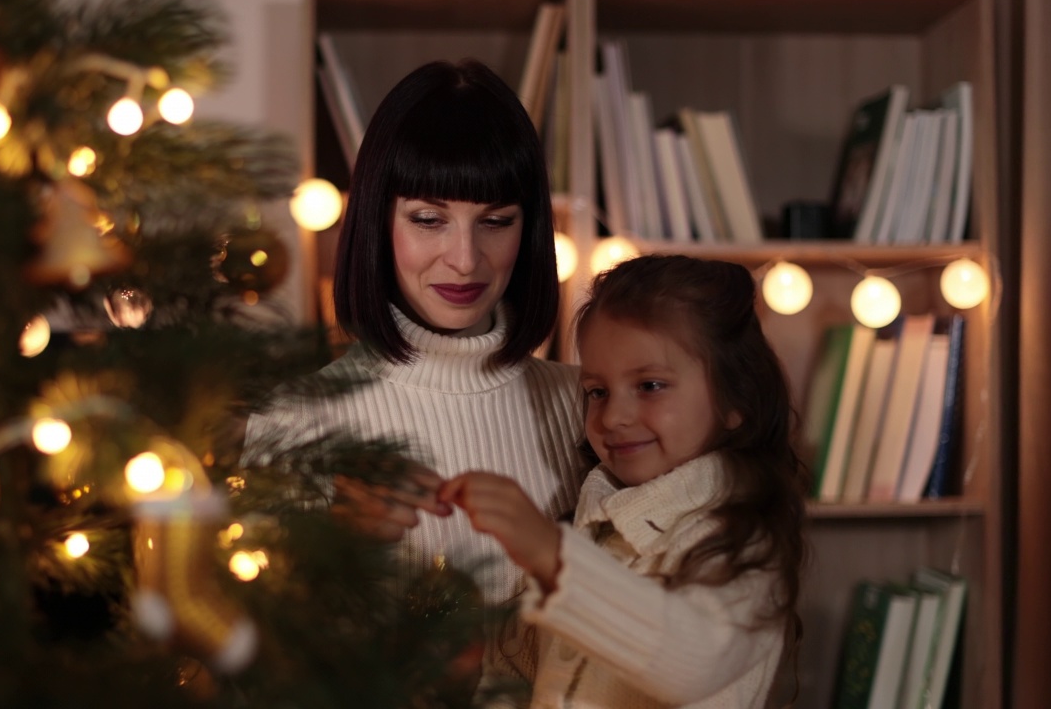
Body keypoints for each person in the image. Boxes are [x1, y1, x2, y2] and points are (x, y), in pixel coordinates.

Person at [243, 58, 589, 687]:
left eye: (495, 221)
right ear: (379, 221)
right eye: (428, 219)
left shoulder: (586, 407)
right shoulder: (296, 418)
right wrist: (341, 549)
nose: (465, 259)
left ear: (530, 229)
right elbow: (261, 671)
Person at [440, 254, 809, 708]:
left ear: (738, 398)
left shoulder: (743, 537)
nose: (614, 416)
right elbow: (520, 677)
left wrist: (552, 556)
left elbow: (690, 662)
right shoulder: (592, 524)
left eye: (650, 385)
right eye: (597, 392)